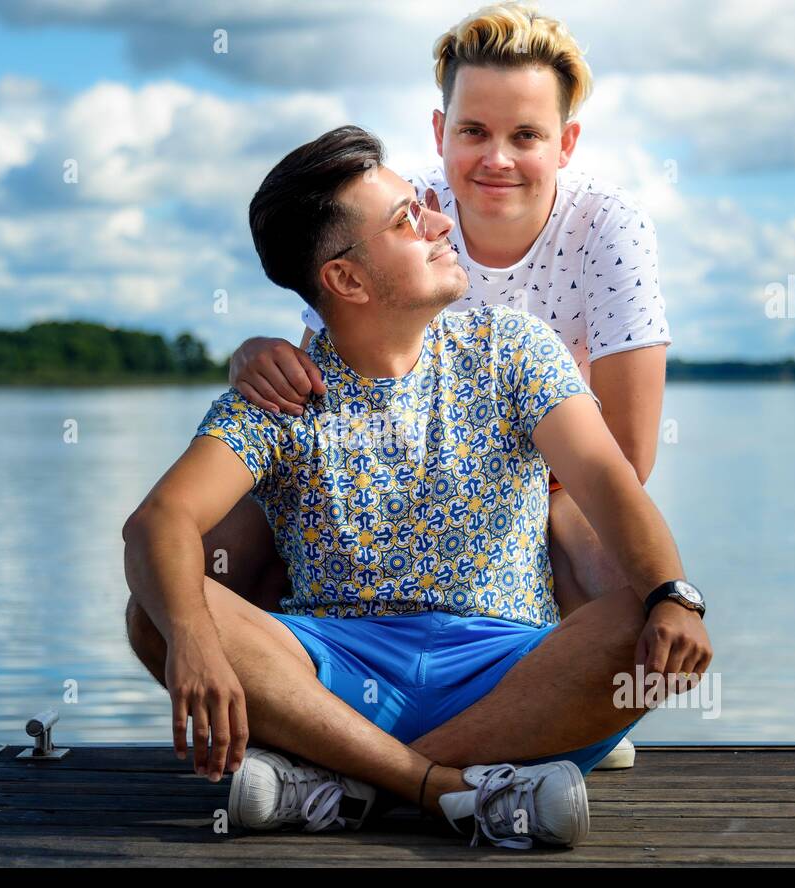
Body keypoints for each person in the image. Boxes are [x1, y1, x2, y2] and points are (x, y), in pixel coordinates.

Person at [123, 125, 710, 849]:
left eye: (423, 205)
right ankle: (462, 789)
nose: (439, 222)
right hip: (331, 674)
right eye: (407, 219)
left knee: (642, 625)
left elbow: (607, 481)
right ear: (347, 280)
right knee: (157, 610)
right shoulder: (282, 394)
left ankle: (354, 784)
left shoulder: (515, 350)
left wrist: (672, 595)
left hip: (507, 678)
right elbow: (157, 521)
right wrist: (192, 640)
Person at [225, 3, 671, 767]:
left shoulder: (609, 229)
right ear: (440, 133)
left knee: (623, 561)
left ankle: (537, 704)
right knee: (212, 557)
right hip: (396, 469)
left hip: (549, 475)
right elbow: (325, 372)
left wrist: (499, 461)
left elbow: (624, 458)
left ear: (564, 145)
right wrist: (250, 357)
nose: (496, 157)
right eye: (474, 132)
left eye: (526, 135)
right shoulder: (404, 213)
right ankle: (331, 702)